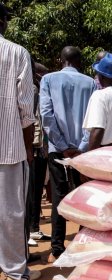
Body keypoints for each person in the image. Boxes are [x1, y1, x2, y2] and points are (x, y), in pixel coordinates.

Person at [40, 46, 96, 263]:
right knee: (83, 196)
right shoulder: (90, 83)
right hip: (83, 151)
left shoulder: (48, 80)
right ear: (79, 61)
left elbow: (46, 115)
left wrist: (62, 145)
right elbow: (93, 119)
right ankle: (83, 246)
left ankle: (57, 249)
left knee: (59, 196)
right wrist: (80, 145)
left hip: (58, 149)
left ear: (60, 59)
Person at [0, 2, 41, 280]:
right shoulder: (16, 53)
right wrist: (28, 147)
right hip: (9, 144)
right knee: (11, 212)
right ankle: (14, 272)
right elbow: (26, 108)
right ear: (2, 22)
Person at [27, 62, 51, 248]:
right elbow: (33, 120)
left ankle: (34, 227)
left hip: (40, 147)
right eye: (43, 75)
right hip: (34, 148)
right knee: (31, 190)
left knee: (36, 190)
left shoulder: (39, 90)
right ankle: (29, 228)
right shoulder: (34, 90)